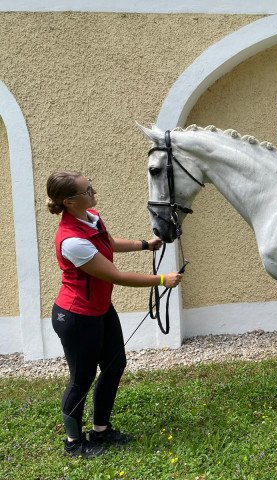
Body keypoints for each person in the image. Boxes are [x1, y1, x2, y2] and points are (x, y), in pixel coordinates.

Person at [46, 171, 182, 458]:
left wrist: (144, 244)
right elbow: (115, 276)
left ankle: (101, 430)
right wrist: (161, 280)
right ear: (70, 201)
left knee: (114, 365)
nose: (93, 191)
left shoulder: (91, 217)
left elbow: (107, 242)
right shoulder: (71, 241)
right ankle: (73, 443)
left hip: (100, 310)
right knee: (81, 379)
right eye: (87, 189)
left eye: (91, 184)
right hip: (75, 317)